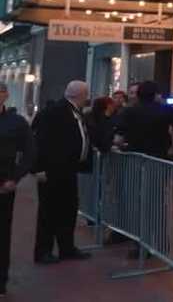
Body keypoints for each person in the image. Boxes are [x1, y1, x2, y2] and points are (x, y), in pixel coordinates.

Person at [31, 80, 93, 264]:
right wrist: (38, 169)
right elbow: (39, 141)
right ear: (80, 95)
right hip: (52, 170)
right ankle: (43, 251)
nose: (88, 97)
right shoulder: (54, 112)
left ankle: (67, 248)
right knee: (49, 212)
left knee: (68, 210)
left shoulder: (74, 112)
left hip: (68, 169)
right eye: (86, 94)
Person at [0, 83, 33, 296]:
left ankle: (0, 282)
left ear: (5, 95)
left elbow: (30, 151)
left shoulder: (16, 122)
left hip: (4, 186)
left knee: (2, 235)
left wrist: (15, 178)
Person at [113, 81, 173, 159]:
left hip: (133, 157)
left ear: (138, 94)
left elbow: (118, 139)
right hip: (159, 157)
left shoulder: (127, 111)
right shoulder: (167, 110)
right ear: (155, 94)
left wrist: (123, 145)